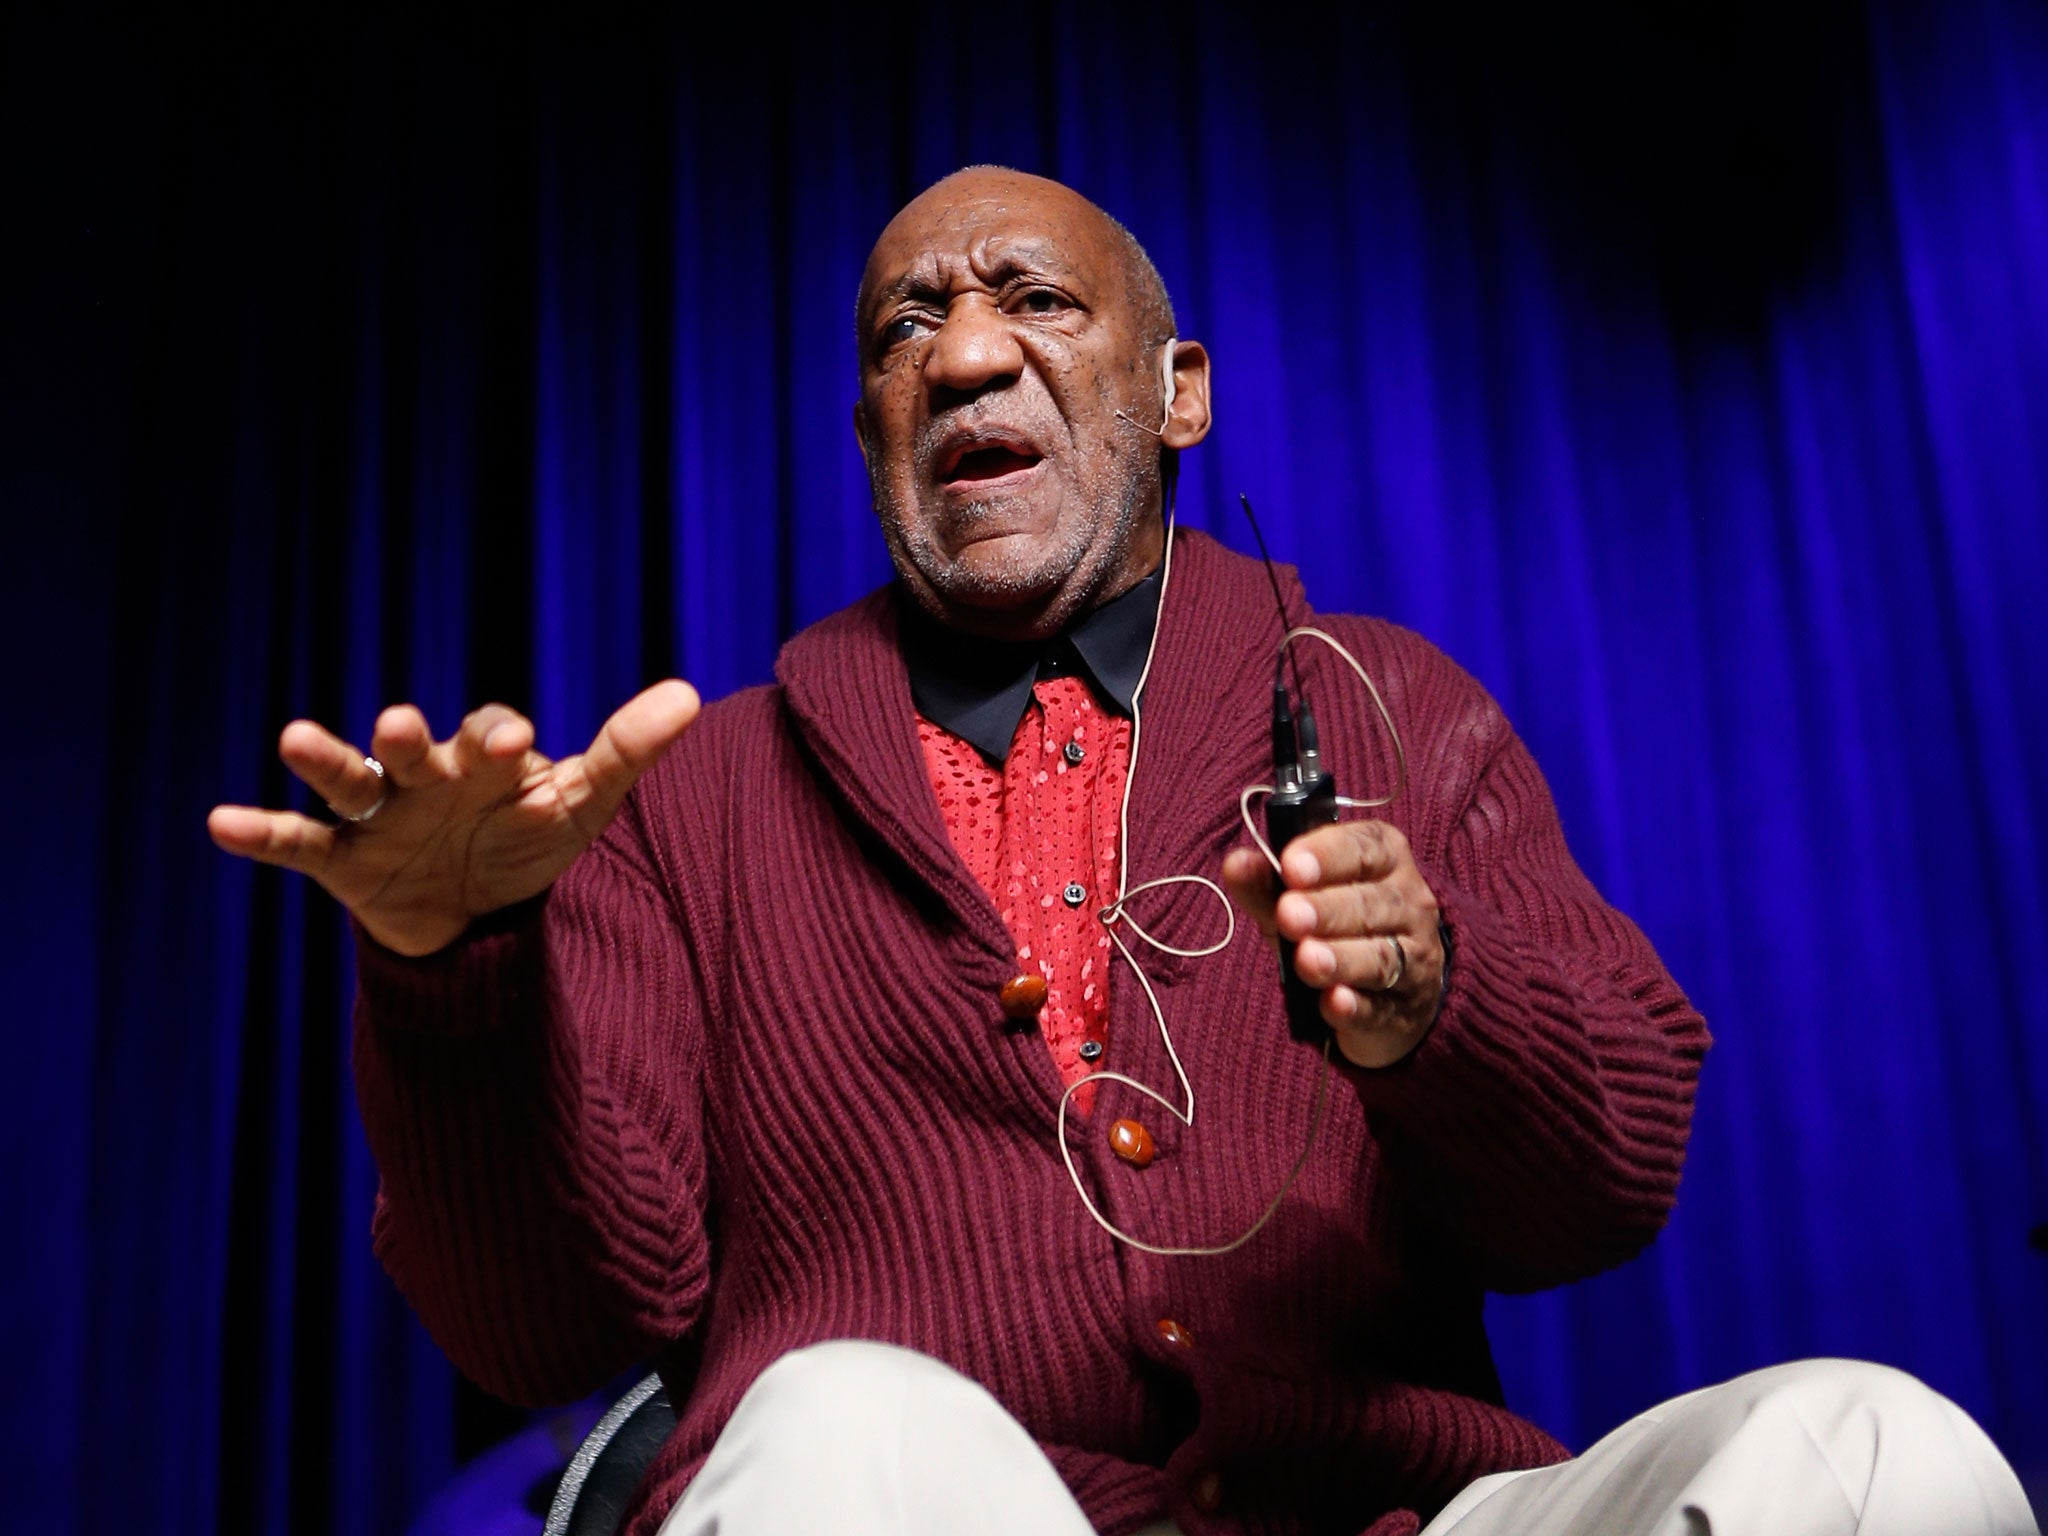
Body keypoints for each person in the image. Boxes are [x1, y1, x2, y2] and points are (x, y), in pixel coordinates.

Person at [208, 168, 2038, 1536]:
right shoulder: (697, 796)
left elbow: (1607, 1184)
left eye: (1030, 301)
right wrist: (449, 983)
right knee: (831, 1415)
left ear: (1181, 397)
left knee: (1884, 1453)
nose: (967, 349)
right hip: (952, 1505)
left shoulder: (1387, 698)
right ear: (872, 440)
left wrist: (1438, 1012)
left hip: (1389, 1519)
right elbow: (547, 1324)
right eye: (906, 326)